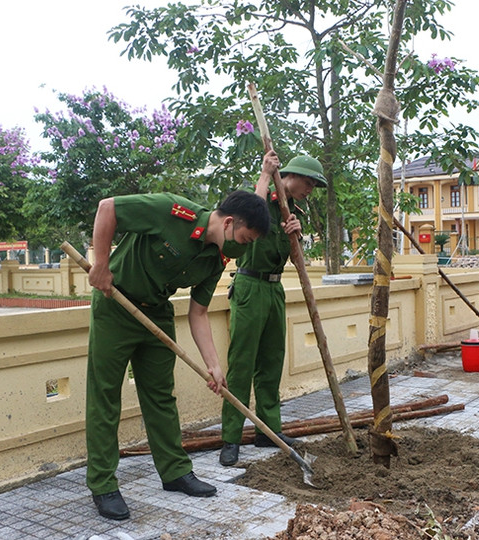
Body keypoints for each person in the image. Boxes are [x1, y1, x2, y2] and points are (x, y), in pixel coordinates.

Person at [86, 190, 270, 520]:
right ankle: (103, 485)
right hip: (115, 305)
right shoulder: (172, 212)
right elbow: (107, 208)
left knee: (160, 397)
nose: (245, 248)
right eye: (245, 239)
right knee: (105, 397)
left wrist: (214, 366)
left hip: (156, 313)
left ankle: (174, 472)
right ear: (229, 223)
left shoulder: (216, 259)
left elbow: (198, 313)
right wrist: (101, 265)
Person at [219, 150, 327, 466]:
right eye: (307, 183)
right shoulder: (262, 200)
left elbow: (296, 260)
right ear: (289, 177)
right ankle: (231, 437)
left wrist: (295, 236)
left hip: (274, 289)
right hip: (250, 287)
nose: (309, 190)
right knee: (241, 363)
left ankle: (268, 431)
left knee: (271, 363)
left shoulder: (291, 213)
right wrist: (265, 173)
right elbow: (248, 216)